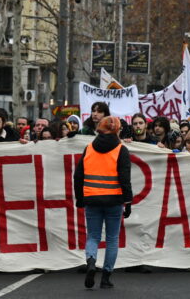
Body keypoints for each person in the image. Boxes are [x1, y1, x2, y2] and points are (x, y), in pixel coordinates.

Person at [74, 116, 132, 289]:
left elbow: (78, 176)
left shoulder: (89, 148)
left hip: (92, 199)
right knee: (112, 238)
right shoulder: (121, 150)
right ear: (117, 130)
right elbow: (125, 179)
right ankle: (106, 277)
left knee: (93, 236)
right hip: (114, 200)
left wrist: (80, 198)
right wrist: (128, 201)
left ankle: (91, 262)